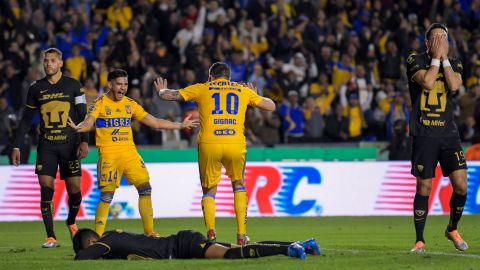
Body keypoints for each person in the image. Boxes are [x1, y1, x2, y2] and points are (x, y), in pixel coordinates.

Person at [154, 62, 276, 245]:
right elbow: (271, 106)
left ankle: (211, 232)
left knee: (209, 190)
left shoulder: (203, 88)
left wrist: (162, 91)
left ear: (211, 76)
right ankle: (242, 235)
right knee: (238, 184)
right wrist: (256, 95)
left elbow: (171, 96)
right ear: (229, 77)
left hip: (209, 144)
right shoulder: (242, 90)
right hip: (235, 143)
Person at [67, 69, 199, 237]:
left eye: (125, 84)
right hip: (109, 154)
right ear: (110, 84)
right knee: (107, 195)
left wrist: (179, 125)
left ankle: (149, 232)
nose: (122, 88)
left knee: (145, 188)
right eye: (119, 84)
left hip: (130, 153)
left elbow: (155, 122)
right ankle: (97, 237)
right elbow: (89, 121)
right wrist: (80, 128)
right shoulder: (100, 102)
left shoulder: (130, 104)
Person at [10, 48, 89, 248]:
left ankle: (71, 221)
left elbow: (83, 116)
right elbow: (26, 120)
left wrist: (84, 140)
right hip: (47, 146)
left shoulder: (73, 85)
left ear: (61, 63)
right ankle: (51, 237)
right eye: (46, 61)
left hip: (70, 144)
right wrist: (17, 145)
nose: (48, 64)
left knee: (75, 190)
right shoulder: (36, 88)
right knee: (46, 188)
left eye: (52, 61)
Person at [406, 23, 468, 253]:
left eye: (444, 37)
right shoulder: (415, 60)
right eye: (436, 38)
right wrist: (436, 59)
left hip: (448, 134)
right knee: (424, 186)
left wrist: (444, 60)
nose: (441, 41)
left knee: (461, 185)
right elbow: (428, 82)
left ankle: (452, 228)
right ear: (427, 43)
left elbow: (453, 84)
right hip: (424, 134)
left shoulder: (456, 63)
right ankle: (420, 239)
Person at [73, 228, 320, 260]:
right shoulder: (114, 238)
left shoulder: (105, 242)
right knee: (235, 249)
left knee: (231, 256)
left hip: (182, 247)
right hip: (182, 242)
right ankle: (304, 244)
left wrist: (82, 253)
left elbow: (82, 258)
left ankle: (286, 250)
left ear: (91, 242)